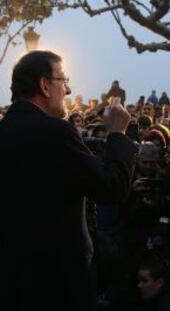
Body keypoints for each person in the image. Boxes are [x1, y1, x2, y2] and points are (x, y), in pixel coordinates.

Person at [0, 51, 136, 311]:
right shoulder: (56, 132)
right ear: (44, 86)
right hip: (57, 283)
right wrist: (117, 134)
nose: (69, 89)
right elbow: (112, 189)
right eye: (63, 80)